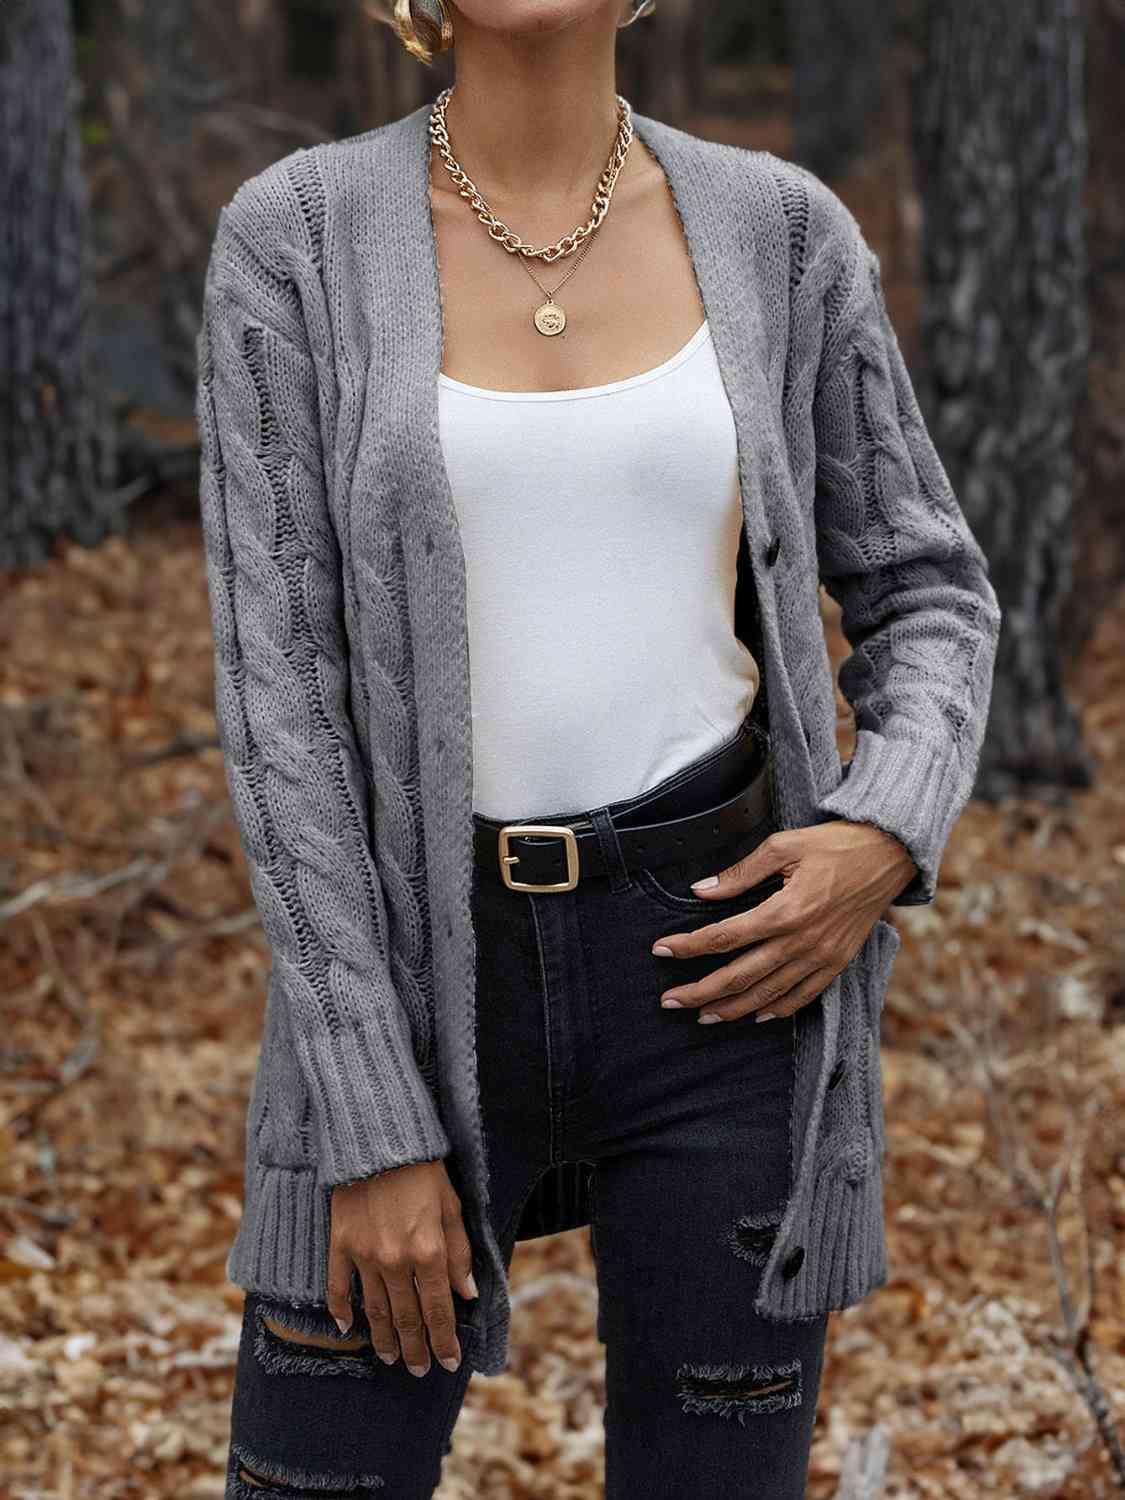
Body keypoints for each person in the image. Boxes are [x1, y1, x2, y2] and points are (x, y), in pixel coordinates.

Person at [195, 2, 1002, 1495]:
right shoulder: (295, 239)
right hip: (410, 983)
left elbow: (929, 587)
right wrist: (368, 1117)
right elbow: (281, 699)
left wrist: (881, 831)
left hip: (722, 972)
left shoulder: (781, 233)